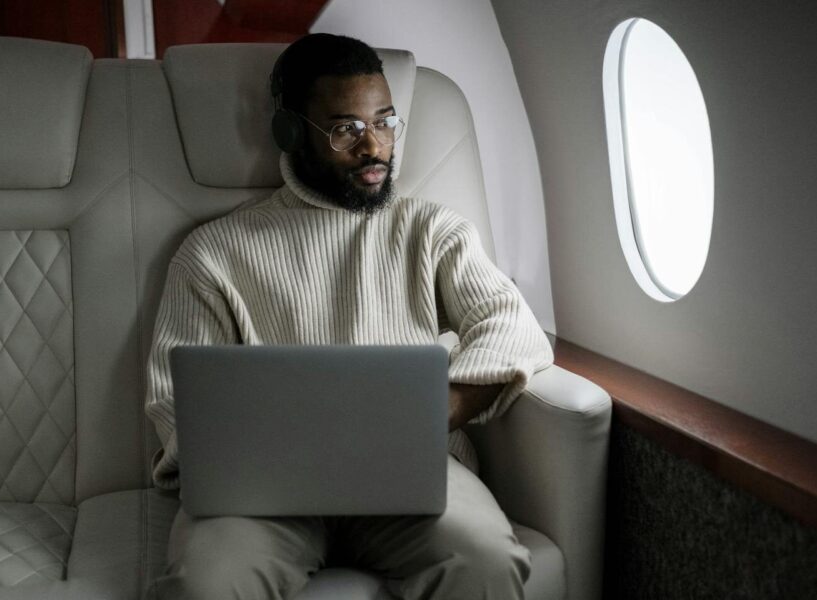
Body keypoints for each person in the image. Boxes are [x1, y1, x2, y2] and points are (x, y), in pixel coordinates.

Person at [146, 33, 553, 600]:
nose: (375, 148)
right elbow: (173, 402)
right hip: (263, 494)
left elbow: (512, 328)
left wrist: (435, 412)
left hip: (410, 476)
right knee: (205, 585)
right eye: (346, 129)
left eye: (384, 122)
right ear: (291, 133)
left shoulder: (433, 230)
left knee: (486, 560)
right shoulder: (213, 252)